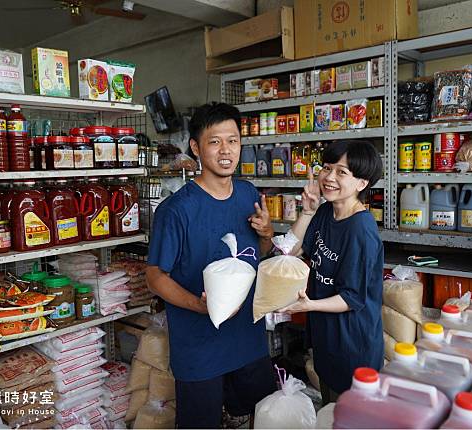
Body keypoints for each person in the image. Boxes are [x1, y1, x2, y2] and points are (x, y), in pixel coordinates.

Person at [146, 102, 277, 428]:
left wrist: (266, 235)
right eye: (215, 141)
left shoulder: (248, 194)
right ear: (196, 147)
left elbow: (255, 256)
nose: (225, 150)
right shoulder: (176, 211)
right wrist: (201, 307)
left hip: (248, 339)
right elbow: (155, 277)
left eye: (232, 140)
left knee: (261, 417)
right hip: (199, 350)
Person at [280, 140, 384, 404]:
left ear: (362, 184)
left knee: (348, 415)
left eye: (341, 172)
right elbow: (289, 252)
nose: (329, 177)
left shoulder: (361, 230)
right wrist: (307, 211)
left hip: (352, 345)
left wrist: (309, 305)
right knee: (329, 409)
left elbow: (352, 298)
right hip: (327, 337)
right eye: (327, 168)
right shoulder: (326, 211)